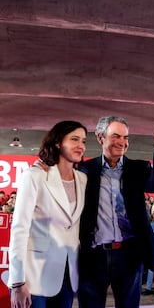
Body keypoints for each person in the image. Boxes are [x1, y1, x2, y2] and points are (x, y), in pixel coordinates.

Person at [77, 117, 154, 308]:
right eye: (115, 136)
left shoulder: (139, 168)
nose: (122, 142)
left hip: (129, 255)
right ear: (101, 138)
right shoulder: (85, 170)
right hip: (93, 257)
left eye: (125, 137)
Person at [8, 121, 88, 308]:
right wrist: (18, 282)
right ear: (58, 142)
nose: (81, 146)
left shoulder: (82, 179)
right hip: (33, 276)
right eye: (74, 139)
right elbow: (20, 229)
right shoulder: (35, 175)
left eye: (83, 141)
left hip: (67, 275)